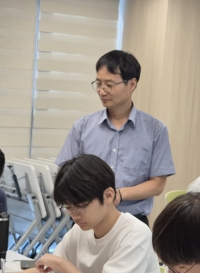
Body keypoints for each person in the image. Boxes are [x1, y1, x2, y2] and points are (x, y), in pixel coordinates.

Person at [0, 154, 161, 273]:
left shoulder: (134, 235)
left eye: (80, 206)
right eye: (68, 208)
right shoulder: (82, 229)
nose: (74, 215)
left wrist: (61, 264)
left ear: (108, 195)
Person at [55, 50, 175, 226]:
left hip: (132, 222)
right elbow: (65, 173)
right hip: (87, 221)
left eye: (109, 85)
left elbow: (157, 184)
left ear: (132, 84)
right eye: (98, 84)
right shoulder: (83, 127)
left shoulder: (155, 130)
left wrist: (120, 194)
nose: (102, 91)